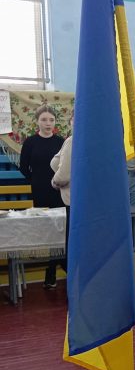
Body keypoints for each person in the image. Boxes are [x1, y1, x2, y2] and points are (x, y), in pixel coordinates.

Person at [19, 105, 65, 288]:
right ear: (37, 121)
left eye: (51, 120)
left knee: (60, 231)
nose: (48, 123)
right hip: (39, 192)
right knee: (47, 231)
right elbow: (24, 167)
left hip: (59, 191)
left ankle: (52, 270)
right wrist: (35, 180)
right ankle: (52, 268)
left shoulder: (61, 142)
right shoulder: (30, 142)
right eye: (44, 119)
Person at [50, 122, 73, 270]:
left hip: (72, 197)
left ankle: (73, 276)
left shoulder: (72, 141)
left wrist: (54, 182)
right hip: (90, 199)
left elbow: (63, 175)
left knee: (72, 241)